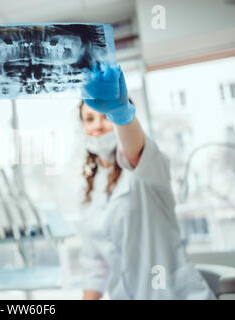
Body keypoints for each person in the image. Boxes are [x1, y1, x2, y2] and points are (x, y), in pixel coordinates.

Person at [78, 64, 215, 299]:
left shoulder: (145, 167)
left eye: (105, 116)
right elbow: (95, 267)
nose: (98, 126)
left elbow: (134, 152)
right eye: (89, 119)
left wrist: (120, 112)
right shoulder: (91, 190)